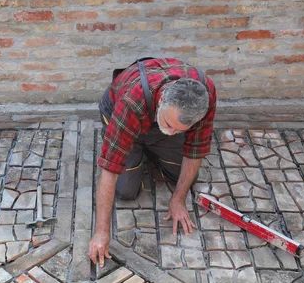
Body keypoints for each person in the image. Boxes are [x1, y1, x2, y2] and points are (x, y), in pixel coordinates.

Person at [89, 58, 217, 267]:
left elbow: (195, 149)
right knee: (126, 191)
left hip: (152, 121)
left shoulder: (206, 95)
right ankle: (135, 143)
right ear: (161, 101)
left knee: (184, 178)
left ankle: (150, 144)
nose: (173, 133)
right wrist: (101, 232)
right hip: (120, 113)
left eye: (180, 131)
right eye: (169, 124)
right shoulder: (132, 102)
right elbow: (109, 169)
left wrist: (179, 199)